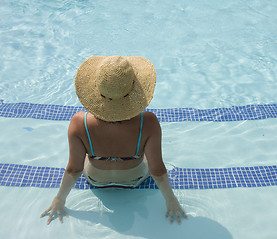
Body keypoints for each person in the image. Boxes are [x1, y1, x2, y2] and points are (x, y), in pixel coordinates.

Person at [41, 56, 187, 225]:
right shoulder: (148, 122)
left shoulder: (79, 123)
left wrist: (60, 199)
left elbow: (74, 169)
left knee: (91, 154)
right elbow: (158, 170)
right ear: (133, 91)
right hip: (134, 180)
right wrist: (171, 199)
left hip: (97, 181)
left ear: (97, 89)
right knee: (144, 154)